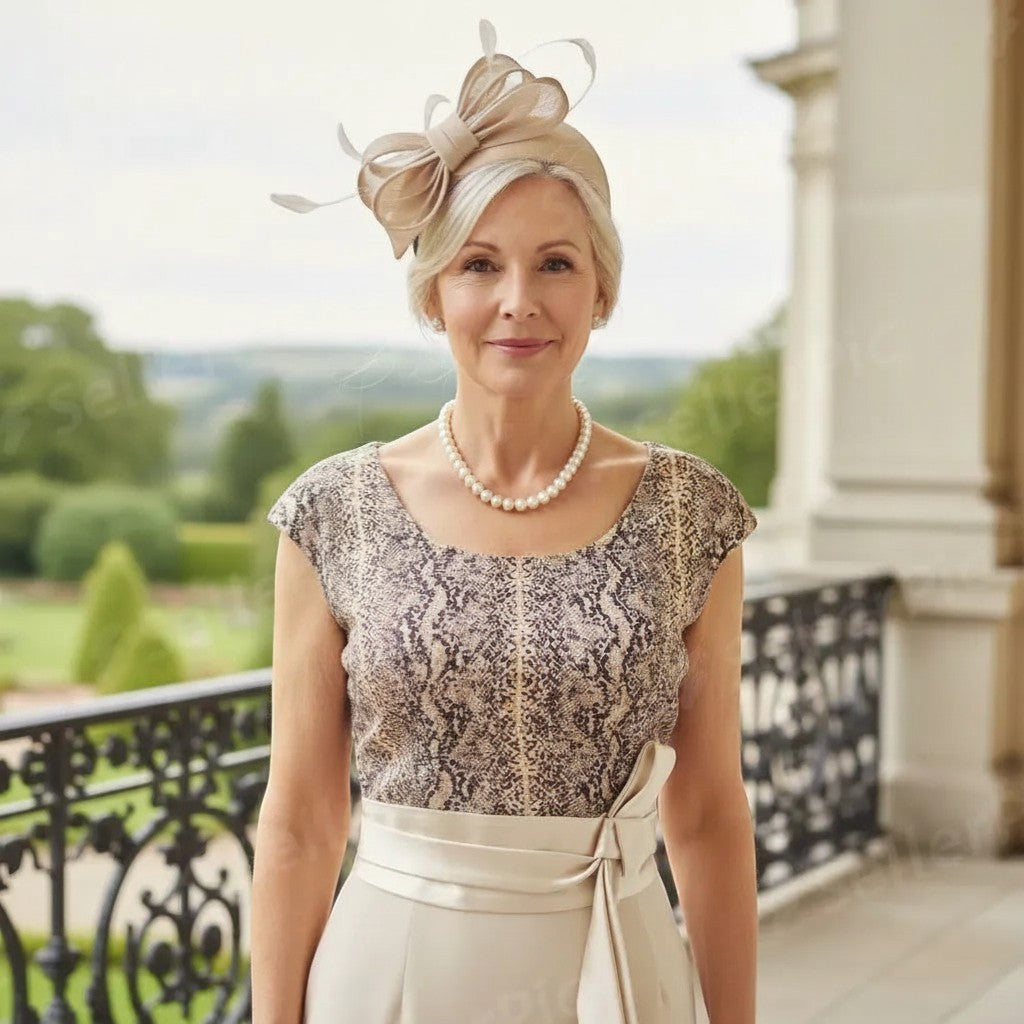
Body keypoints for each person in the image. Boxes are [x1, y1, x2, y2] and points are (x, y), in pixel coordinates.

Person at [252, 19, 758, 1024]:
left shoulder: (691, 512)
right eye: (479, 265)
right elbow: (302, 822)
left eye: (556, 264)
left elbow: (706, 812)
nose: (518, 301)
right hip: (390, 974)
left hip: (618, 971)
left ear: (602, 290)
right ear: (433, 295)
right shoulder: (333, 511)